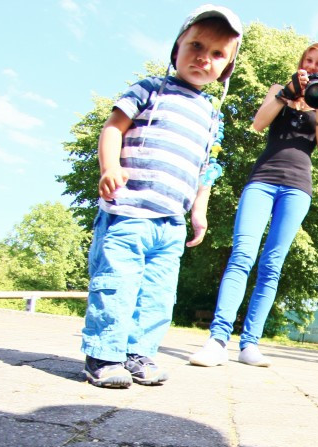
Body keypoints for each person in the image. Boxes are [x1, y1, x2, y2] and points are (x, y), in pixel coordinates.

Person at [81, 5, 243, 388]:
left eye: (218, 54)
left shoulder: (211, 115)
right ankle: (103, 356)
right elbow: (112, 128)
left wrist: (198, 212)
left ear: (226, 68)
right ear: (177, 49)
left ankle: (139, 353)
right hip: (128, 210)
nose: (204, 57)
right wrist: (109, 167)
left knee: (157, 293)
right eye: (196, 46)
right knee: (117, 284)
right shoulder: (151, 88)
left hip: (170, 224)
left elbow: (205, 169)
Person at [189, 42, 318, 368]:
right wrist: (287, 92)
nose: (313, 67)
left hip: (298, 188)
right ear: (301, 64)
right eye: (308, 61)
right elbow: (258, 124)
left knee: (272, 265)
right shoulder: (279, 90)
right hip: (263, 180)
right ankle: (217, 340)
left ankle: (250, 344)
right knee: (242, 255)